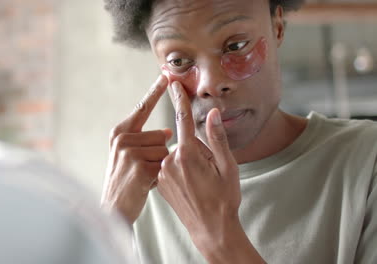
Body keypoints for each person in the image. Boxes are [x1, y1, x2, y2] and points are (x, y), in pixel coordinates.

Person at [100, 0, 377, 263]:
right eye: (178, 61)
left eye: (236, 46)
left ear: (277, 26)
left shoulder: (366, 161)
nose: (210, 83)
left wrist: (219, 239)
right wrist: (104, 225)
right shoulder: (141, 193)